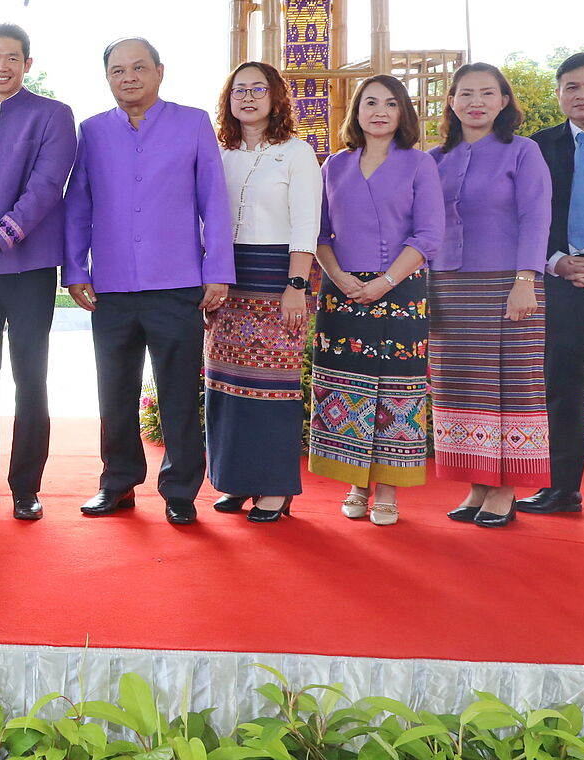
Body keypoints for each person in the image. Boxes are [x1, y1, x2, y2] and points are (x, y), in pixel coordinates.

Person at [65, 37, 232, 526]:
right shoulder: (92, 131)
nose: (129, 77)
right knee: (113, 392)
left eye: (139, 67)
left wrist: (218, 269)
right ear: (108, 78)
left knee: (179, 391)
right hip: (112, 286)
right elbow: (78, 204)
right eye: (118, 70)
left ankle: (180, 490)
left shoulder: (192, 122)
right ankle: (116, 484)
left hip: (176, 281)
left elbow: (213, 201)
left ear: (160, 71)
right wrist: (75, 269)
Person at [0, 26, 78, 521]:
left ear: (27, 64)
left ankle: (26, 486)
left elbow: (47, 187)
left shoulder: (52, 115)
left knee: (31, 377)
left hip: (26, 267)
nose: (1, 66)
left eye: (12, 58)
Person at [310, 74, 444, 526]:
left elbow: (428, 234)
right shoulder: (333, 165)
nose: (380, 111)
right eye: (370, 102)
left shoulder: (419, 164)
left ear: (403, 113)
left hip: (400, 290)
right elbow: (319, 233)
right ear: (356, 111)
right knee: (347, 388)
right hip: (341, 292)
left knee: (395, 390)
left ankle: (387, 488)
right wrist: (341, 278)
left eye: (391, 103)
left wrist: (385, 281)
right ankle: (355, 482)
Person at [428, 63, 551, 527]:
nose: (475, 101)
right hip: (446, 285)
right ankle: (477, 483)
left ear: (503, 102)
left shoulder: (523, 151)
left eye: (487, 93)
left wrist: (526, 280)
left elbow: (537, 217)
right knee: (460, 385)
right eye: (465, 93)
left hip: (507, 284)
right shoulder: (435, 158)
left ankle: (504, 488)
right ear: (452, 102)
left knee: (508, 385)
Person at [203, 62, 320, 523]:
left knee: (273, 384)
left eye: (258, 89)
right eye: (239, 90)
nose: (248, 97)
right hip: (226, 275)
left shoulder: (296, 152)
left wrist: (296, 285)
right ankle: (234, 479)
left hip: (277, 275)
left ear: (276, 98)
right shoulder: (219, 154)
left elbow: (307, 223)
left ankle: (273, 488)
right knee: (226, 382)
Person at [519, 52, 584, 529]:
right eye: (572, 87)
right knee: (561, 389)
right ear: (559, 92)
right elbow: (523, 214)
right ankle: (562, 488)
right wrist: (556, 260)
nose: (583, 95)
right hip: (558, 285)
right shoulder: (538, 148)